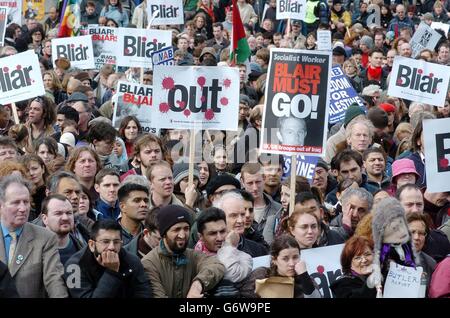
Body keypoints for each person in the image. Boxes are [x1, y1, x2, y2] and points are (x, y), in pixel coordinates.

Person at [0, 175, 68, 298]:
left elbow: (54, 279)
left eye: (26, 202)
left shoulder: (45, 238)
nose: (23, 208)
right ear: (1, 205)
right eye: (16, 202)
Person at [141, 205, 225, 297]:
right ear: (164, 233)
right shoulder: (149, 263)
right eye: (176, 229)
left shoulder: (193, 255)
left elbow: (216, 265)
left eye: (186, 229)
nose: (182, 235)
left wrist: (197, 284)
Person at [64, 219, 152, 298]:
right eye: (105, 242)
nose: (111, 247)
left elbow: (144, 293)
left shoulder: (132, 261)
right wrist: (112, 272)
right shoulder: (73, 267)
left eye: (116, 242)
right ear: (92, 245)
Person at [240, 234, 322, 298]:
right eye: (285, 259)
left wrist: (304, 276)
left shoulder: (305, 280)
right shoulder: (261, 274)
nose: (292, 263)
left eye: (295, 257)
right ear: (274, 259)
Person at [213, 191, 268, 257]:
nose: (240, 220)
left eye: (242, 214)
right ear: (220, 218)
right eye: (234, 215)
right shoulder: (208, 249)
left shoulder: (259, 250)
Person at [41, 194, 84, 265]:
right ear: (45, 219)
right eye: (58, 213)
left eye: (69, 213)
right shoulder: (33, 251)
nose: (65, 218)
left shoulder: (83, 249)